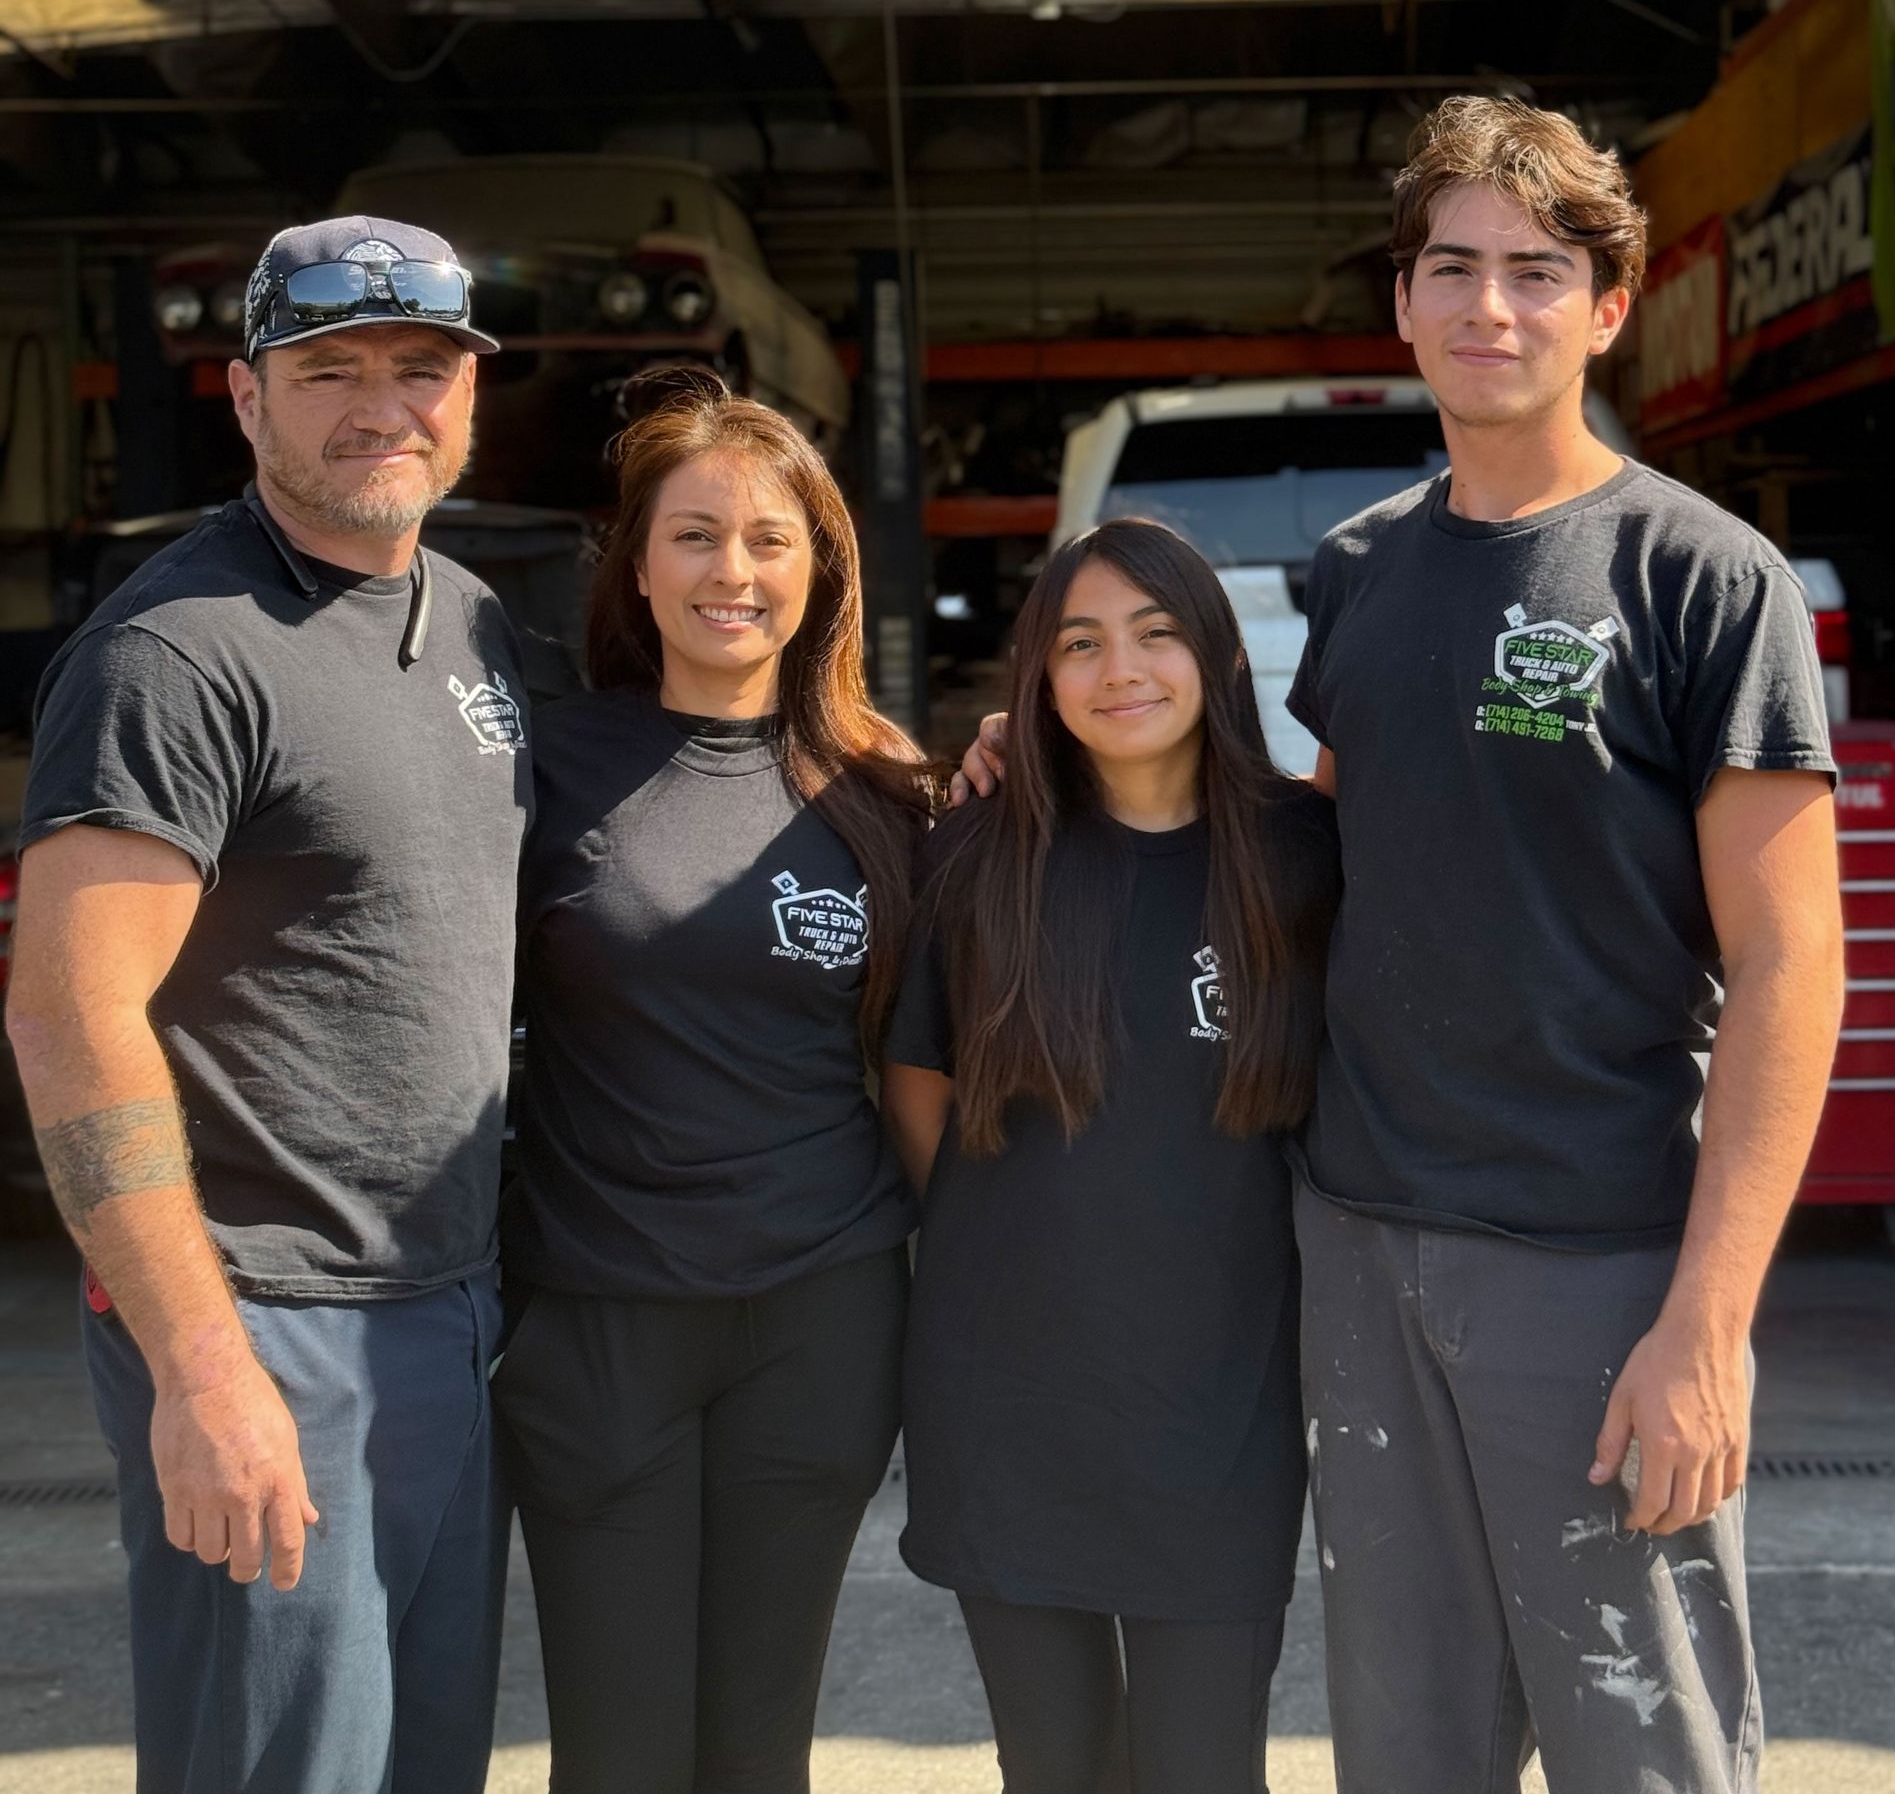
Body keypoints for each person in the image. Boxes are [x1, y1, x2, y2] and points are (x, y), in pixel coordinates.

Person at [958, 97, 1845, 1793]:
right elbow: (1305, 856)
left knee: (1638, 1745)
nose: (1488, 306)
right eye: (1454, 268)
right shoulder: (1363, 571)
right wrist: (1043, 769)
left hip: (1595, 1261)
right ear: (1407, 302)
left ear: (1605, 309)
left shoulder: (1702, 579)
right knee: (1407, 1753)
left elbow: (1797, 967)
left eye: (1534, 272)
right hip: (1361, 1247)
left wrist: (1708, 1324)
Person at [6, 216, 529, 1794]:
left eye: (423, 369)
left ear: (471, 398)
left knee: (415, 1765)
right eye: (331, 370)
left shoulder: (469, 620)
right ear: (246, 398)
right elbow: (68, 1018)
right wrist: (203, 1369)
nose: (386, 406)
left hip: (444, 1310)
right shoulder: (178, 653)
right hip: (267, 1325)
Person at [495, 365, 934, 1794]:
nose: (730, 572)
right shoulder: (544, 768)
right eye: (692, 534)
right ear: (635, 562)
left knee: (759, 1757)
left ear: (820, 571)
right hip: (602, 1326)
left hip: (819, 1324)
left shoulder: (886, 793)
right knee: (617, 1759)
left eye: (767, 539)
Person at [887, 516, 1339, 1794]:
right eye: (1079, 642)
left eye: (1154, 632)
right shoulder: (977, 855)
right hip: (1011, 1405)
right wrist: (1021, 1238)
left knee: (1206, 1768)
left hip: (1221, 1413)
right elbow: (917, 1091)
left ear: (1215, 654)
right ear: (1038, 674)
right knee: (1056, 1766)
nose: (1119, 669)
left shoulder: (1301, 862)